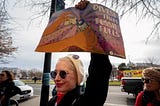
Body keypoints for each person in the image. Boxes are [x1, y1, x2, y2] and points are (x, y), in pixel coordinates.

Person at [48, 53, 112, 106]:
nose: (56, 78)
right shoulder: (52, 101)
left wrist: (95, 42)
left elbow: (100, 70)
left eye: (63, 74)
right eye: (54, 73)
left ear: (77, 77)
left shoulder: (85, 102)